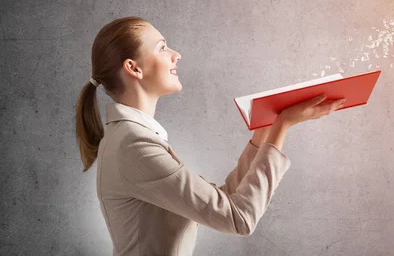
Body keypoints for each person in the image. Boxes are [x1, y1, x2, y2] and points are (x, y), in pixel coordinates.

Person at [75, 16, 346, 256]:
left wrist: (265, 132)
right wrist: (283, 125)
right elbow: (239, 219)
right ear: (134, 68)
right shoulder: (135, 146)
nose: (175, 54)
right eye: (162, 47)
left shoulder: (131, 138)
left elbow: (223, 201)